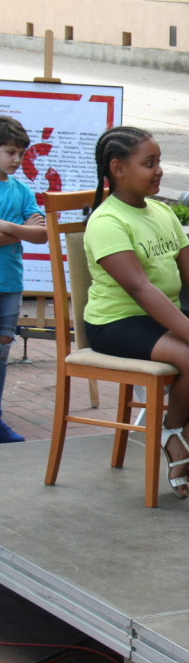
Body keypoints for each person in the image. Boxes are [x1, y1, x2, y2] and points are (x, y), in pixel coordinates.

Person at [84, 126, 189, 499]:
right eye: (149, 163)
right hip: (117, 322)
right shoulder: (107, 222)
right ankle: (175, 436)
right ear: (118, 168)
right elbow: (140, 289)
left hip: (163, 312)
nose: (159, 171)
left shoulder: (161, 211)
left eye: (159, 162)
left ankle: (182, 436)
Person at [0, 116, 47, 443]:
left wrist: (8, 228)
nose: (17, 160)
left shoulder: (21, 190)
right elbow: (30, 231)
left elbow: (42, 233)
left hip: (10, 284)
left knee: (2, 351)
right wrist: (20, 229)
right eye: (10, 152)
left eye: (21, 153)